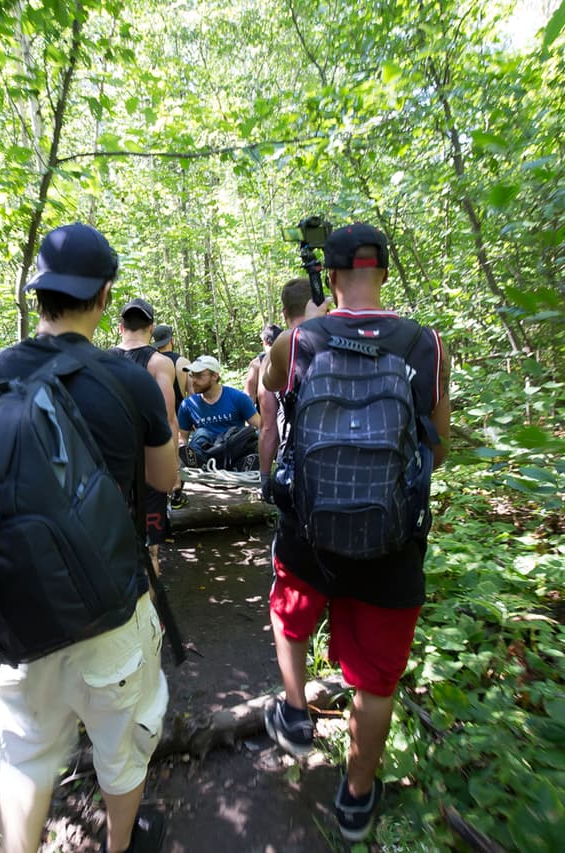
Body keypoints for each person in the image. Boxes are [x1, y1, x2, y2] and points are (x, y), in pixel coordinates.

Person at [0, 223, 178, 853]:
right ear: (106, 297)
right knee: (122, 747)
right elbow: (164, 478)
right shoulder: (127, 379)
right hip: (111, 603)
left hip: (16, 615)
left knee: (24, 756)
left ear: (38, 294)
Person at [260, 223, 451, 842]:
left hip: (309, 529)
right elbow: (437, 447)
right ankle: (357, 798)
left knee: (290, 615)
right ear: (385, 272)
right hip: (392, 541)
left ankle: (294, 713)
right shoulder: (426, 345)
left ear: (333, 276)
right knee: (375, 676)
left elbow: (272, 394)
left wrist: (308, 326)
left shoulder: (300, 340)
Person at [111, 298, 179, 569]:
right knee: (150, 550)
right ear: (151, 328)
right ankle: (149, 602)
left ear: (120, 327)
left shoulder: (100, 362)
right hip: (151, 462)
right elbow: (169, 419)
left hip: (113, 463)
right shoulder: (159, 363)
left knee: (118, 544)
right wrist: (173, 471)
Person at [257, 279, 325, 504]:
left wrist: (265, 476)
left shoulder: (282, 346)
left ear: (284, 311)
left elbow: (268, 426)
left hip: (298, 460)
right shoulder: (346, 336)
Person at [177, 356, 261, 469]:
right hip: (205, 453)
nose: (194, 380)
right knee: (201, 433)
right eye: (192, 375)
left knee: (241, 434)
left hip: (232, 450)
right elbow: (182, 439)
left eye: (199, 375)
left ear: (215, 376)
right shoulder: (188, 404)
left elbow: (261, 427)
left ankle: (243, 463)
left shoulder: (238, 398)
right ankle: (200, 464)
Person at [152, 323, 191, 508]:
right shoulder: (182, 362)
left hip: (158, 417)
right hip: (179, 416)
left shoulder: (151, 362)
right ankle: (176, 494)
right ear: (171, 340)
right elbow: (192, 397)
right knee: (178, 454)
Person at [244, 323, 283, 407]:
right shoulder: (289, 358)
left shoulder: (257, 364)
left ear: (265, 342)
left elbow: (249, 396)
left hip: (265, 415)